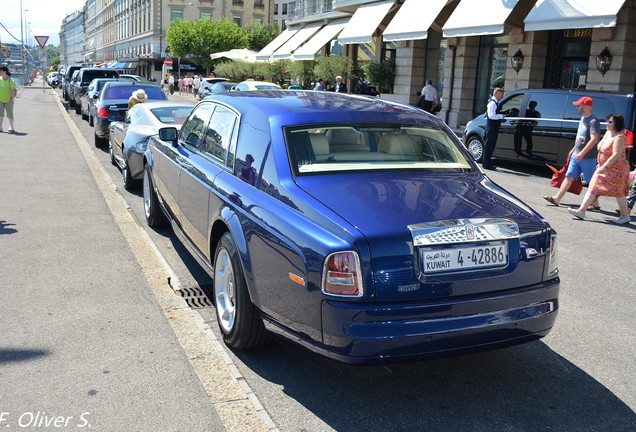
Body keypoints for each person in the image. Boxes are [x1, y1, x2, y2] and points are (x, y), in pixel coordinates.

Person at [567, 114, 631, 224]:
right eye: (608, 121)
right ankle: (581, 211)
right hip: (603, 167)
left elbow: (615, 154)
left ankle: (625, 216)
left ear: (617, 124)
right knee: (593, 186)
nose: (607, 123)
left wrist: (605, 166)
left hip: (616, 169)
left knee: (618, 192)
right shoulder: (608, 133)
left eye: (610, 122)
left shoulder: (619, 137)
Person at [543, 96, 600, 207]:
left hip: (587, 157)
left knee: (591, 182)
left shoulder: (593, 121)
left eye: (579, 105)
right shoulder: (583, 118)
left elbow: (594, 139)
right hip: (576, 155)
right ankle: (557, 198)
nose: (577, 107)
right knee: (569, 176)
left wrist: (582, 153)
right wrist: (574, 149)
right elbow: (580, 136)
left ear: (586, 106)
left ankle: (595, 202)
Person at [482, 87, 506, 170]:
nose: (502, 96)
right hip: (491, 128)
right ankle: (486, 164)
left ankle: (488, 163)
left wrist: (501, 112)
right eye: (501, 94)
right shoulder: (492, 103)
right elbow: (491, 115)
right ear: (498, 93)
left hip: (493, 127)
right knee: (489, 146)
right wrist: (501, 116)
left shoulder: (495, 103)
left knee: (491, 146)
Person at [0, 66, 17, 133]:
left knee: (9, 114)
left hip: (9, 100)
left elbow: (12, 90)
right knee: (0, 114)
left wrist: (11, 98)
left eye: (0, 71)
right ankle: (0, 126)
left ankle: (11, 126)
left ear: (5, 71)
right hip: (0, 100)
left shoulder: (10, 80)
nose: (0, 72)